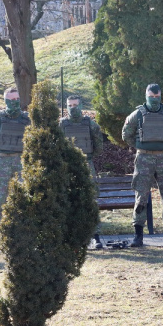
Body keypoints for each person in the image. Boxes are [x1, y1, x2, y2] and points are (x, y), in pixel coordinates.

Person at [122, 83, 163, 247]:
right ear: (146, 95)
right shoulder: (137, 115)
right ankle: (138, 235)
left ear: (160, 96)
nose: (154, 99)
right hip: (143, 159)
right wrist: (141, 147)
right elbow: (126, 134)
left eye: (157, 97)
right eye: (151, 96)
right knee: (141, 197)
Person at [0, 87, 30, 253]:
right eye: (11, 100)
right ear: (5, 101)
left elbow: (36, 138)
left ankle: (22, 239)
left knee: (24, 199)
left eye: (17, 99)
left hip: (22, 162)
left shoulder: (27, 119)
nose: (14, 102)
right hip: (2, 161)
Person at [60, 95, 105, 249]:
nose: (73, 108)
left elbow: (98, 145)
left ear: (81, 105)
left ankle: (95, 236)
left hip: (87, 164)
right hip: (67, 166)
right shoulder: (61, 125)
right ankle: (69, 236)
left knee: (91, 199)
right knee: (66, 198)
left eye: (75, 105)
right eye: (69, 105)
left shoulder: (90, 124)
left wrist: (88, 156)